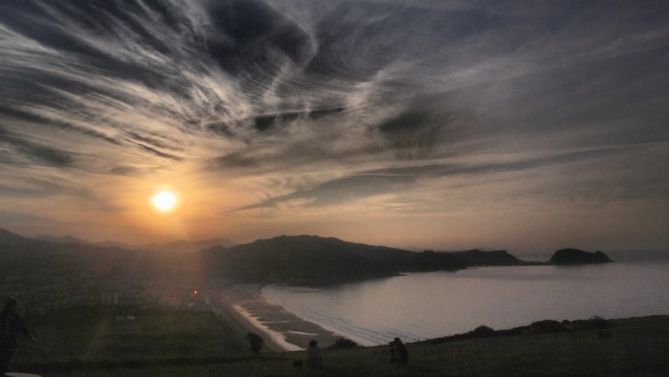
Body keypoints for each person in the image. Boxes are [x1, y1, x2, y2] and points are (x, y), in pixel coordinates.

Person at [0, 297, 35, 374]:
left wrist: (30, 336)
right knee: (3, 356)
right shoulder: (2, 316)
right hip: (2, 341)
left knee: (8, 356)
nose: (12, 307)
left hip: (10, 341)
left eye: (13, 306)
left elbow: (23, 326)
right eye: (10, 306)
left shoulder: (15, 316)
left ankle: (3, 370)